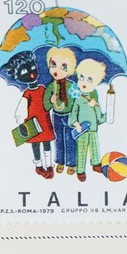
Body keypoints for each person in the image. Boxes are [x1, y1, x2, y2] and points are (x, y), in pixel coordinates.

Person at [7, 51, 55, 179]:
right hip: (33, 123)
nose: (32, 74)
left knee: (47, 143)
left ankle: (49, 165)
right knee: (36, 145)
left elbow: (47, 103)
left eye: (33, 67)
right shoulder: (27, 93)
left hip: (44, 121)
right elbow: (21, 109)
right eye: (24, 72)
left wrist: (52, 101)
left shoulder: (42, 89)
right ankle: (39, 166)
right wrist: (21, 123)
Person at [69, 58, 108, 182]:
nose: (84, 82)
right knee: (81, 150)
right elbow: (73, 114)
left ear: (96, 83)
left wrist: (99, 109)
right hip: (82, 129)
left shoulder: (94, 99)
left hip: (93, 129)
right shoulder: (78, 98)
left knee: (94, 147)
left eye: (89, 79)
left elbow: (99, 118)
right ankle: (80, 170)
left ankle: (96, 164)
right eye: (81, 77)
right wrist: (76, 123)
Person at [43, 46, 78, 175]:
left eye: (63, 67)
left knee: (70, 139)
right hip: (57, 116)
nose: (57, 70)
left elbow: (77, 102)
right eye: (53, 65)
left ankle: (72, 163)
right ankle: (60, 162)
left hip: (70, 116)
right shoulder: (51, 86)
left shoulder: (72, 86)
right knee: (58, 139)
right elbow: (46, 106)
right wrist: (51, 101)